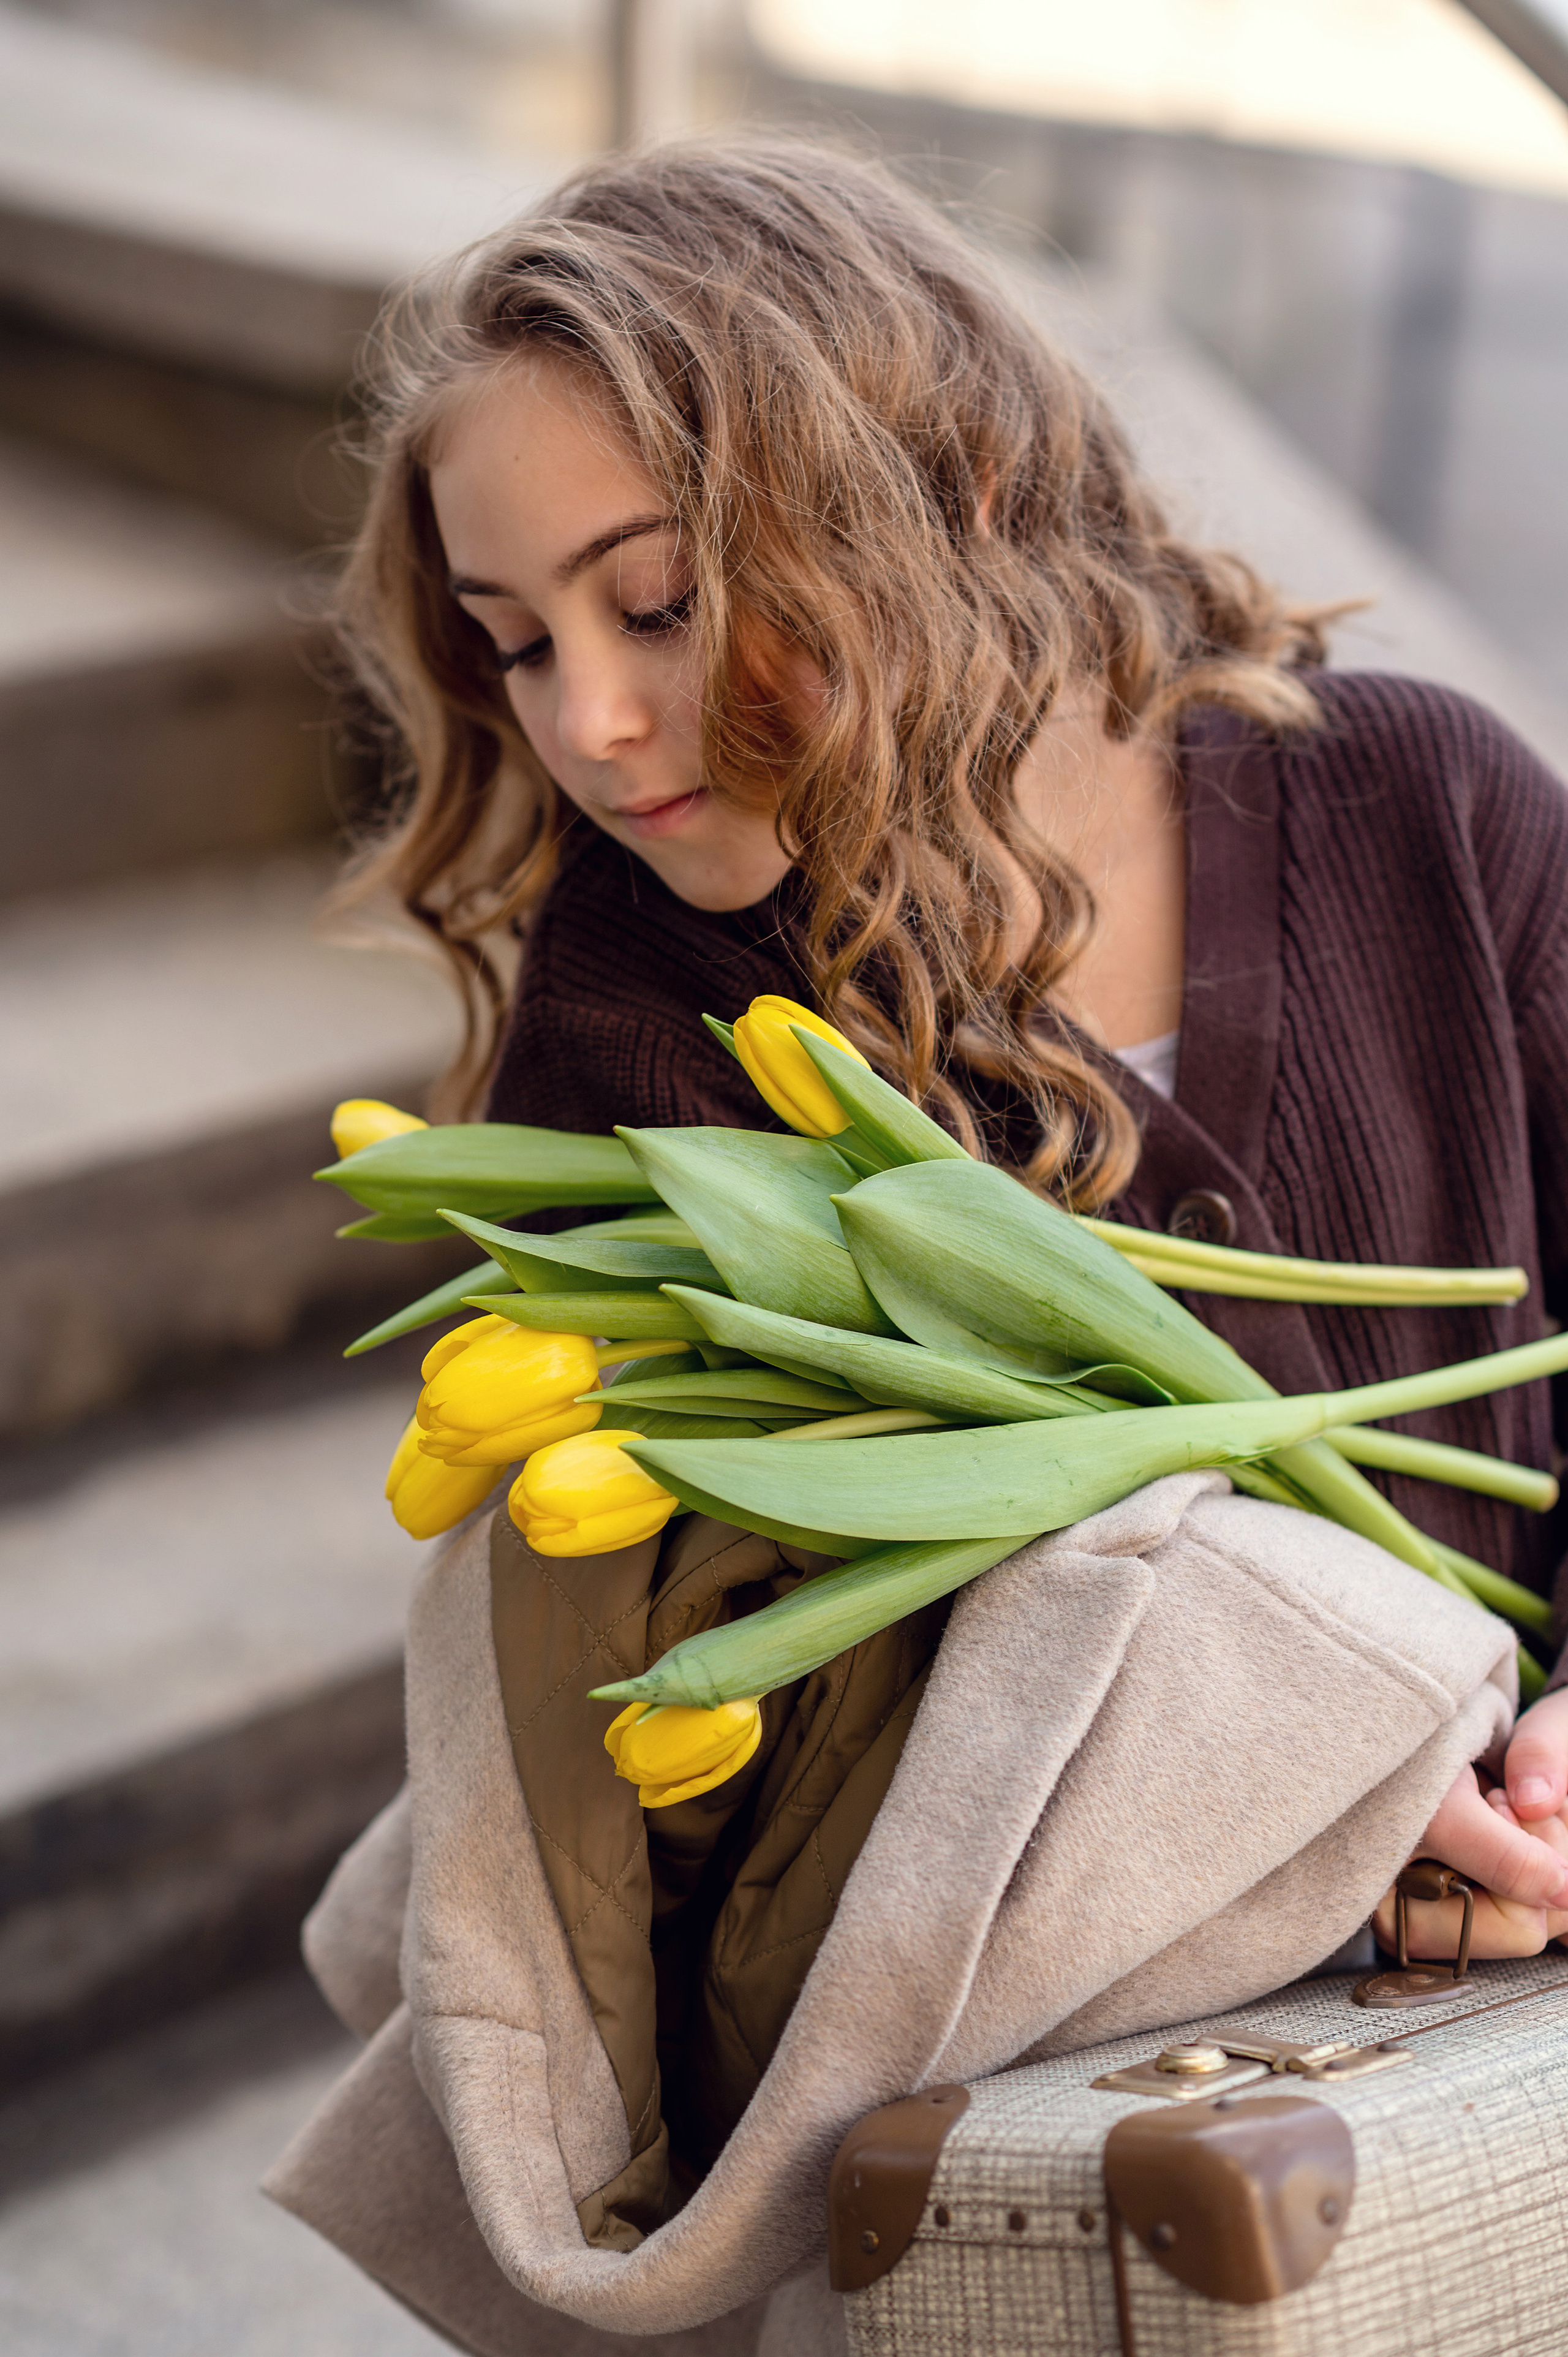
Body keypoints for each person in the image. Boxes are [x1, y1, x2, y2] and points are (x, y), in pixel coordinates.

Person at [331, 135, 1568, 1963]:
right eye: (516, 643)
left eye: (660, 602)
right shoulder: (637, 1015)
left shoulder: (1424, 803)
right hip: (1133, 2043)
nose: (588, 722)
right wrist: (1312, 1803)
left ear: (955, 488)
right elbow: (768, 1669)